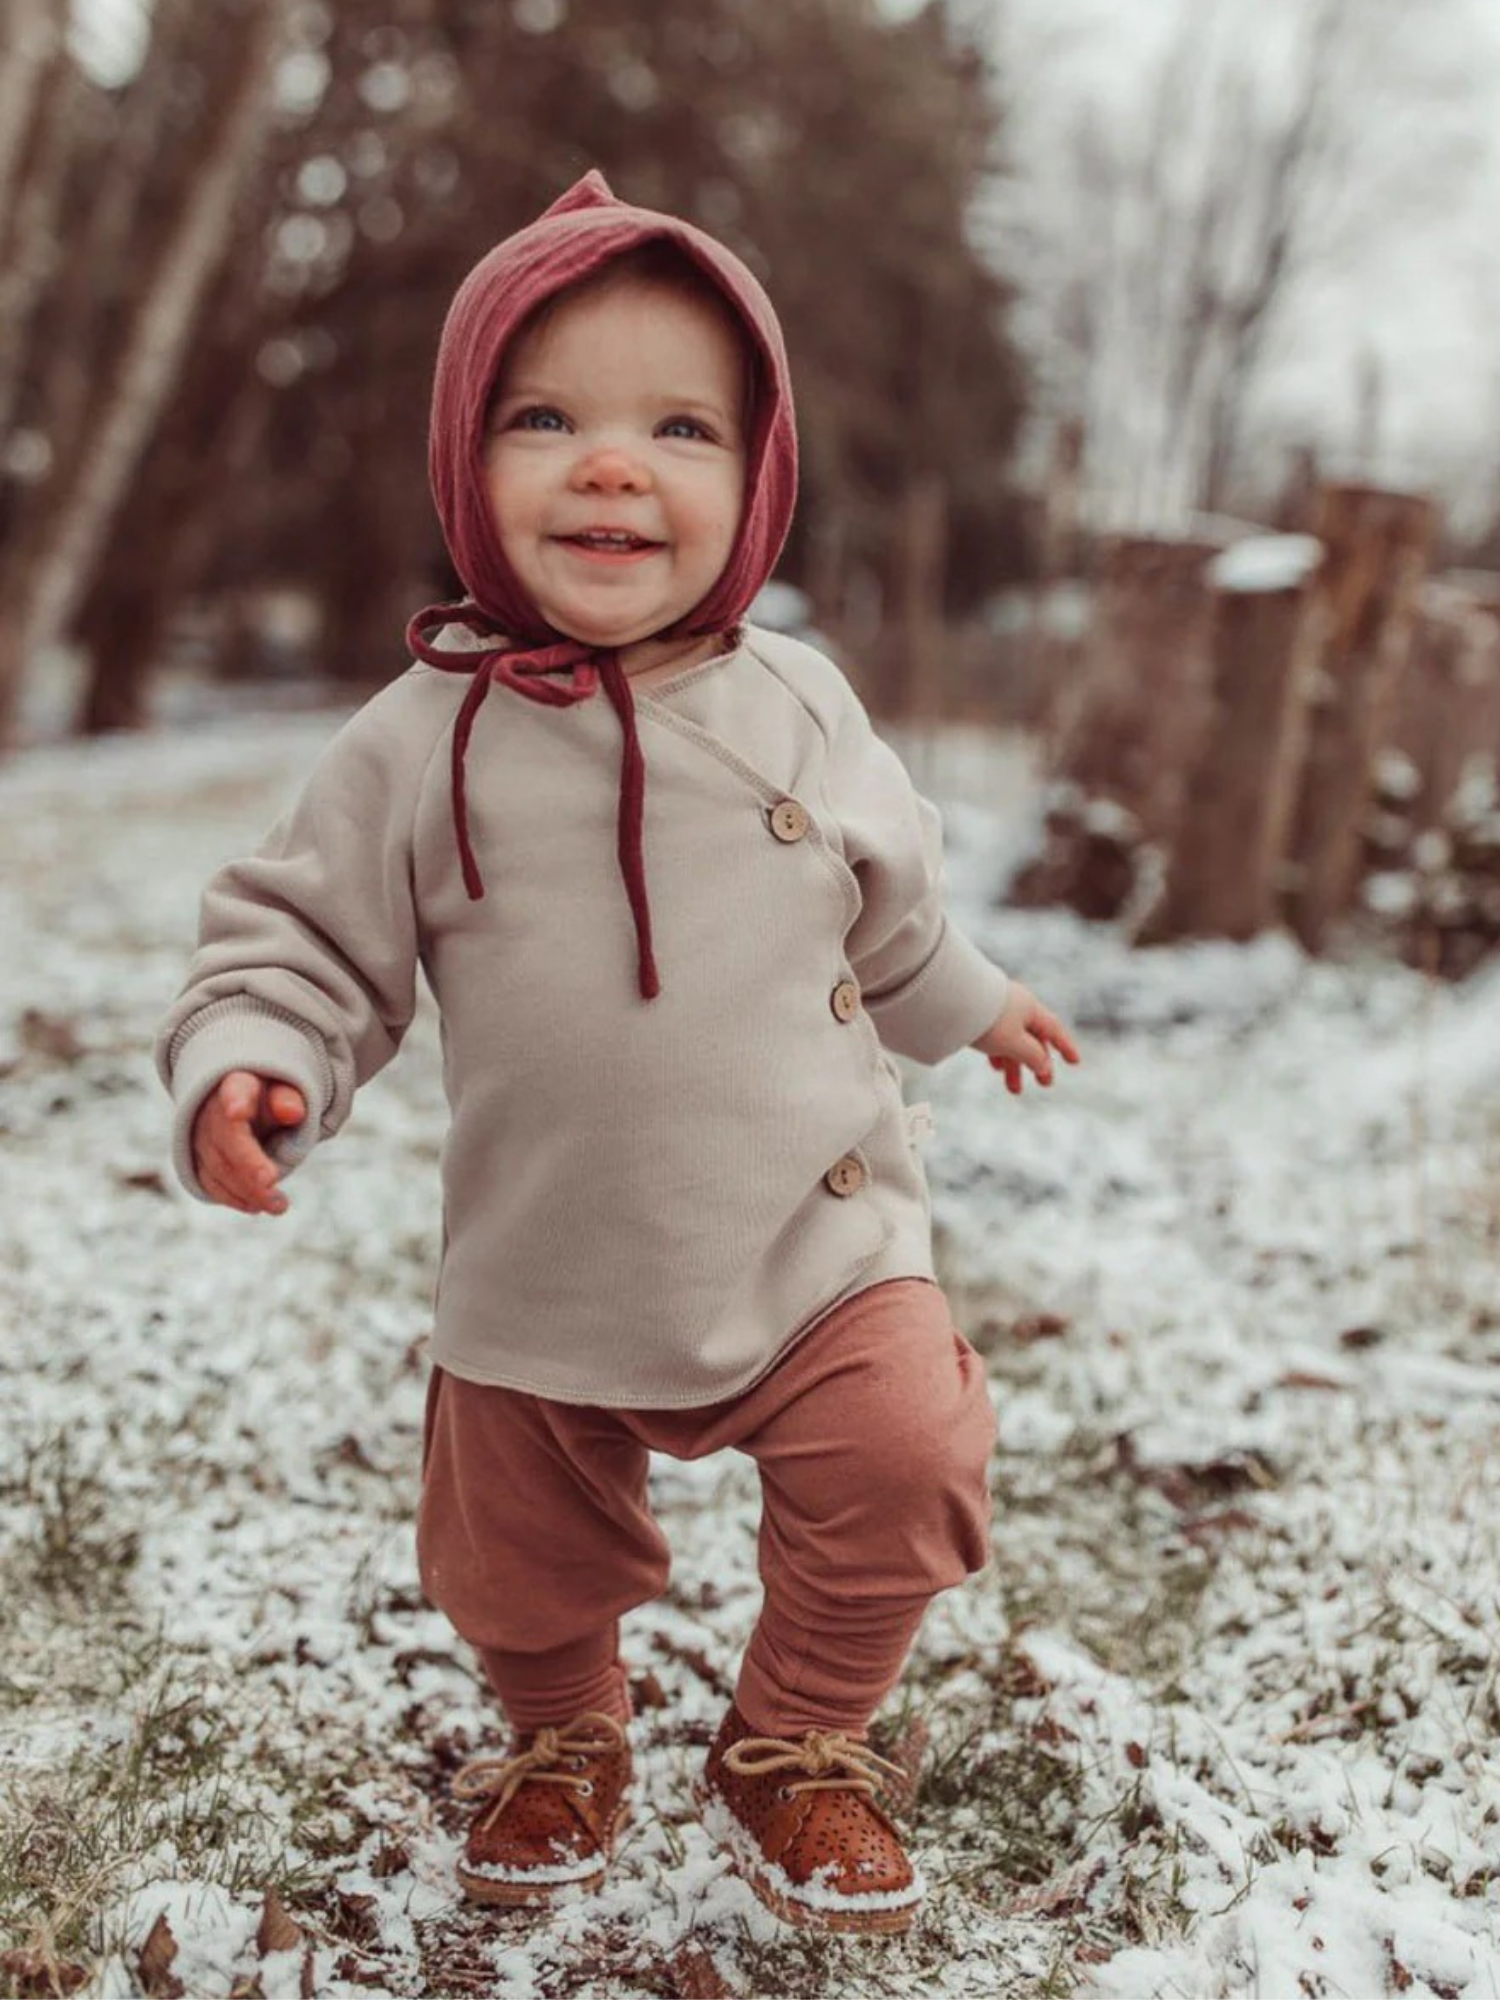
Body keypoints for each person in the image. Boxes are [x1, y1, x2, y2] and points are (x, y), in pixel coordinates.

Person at [155, 171, 1079, 1938]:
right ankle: (562, 1730)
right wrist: (256, 1056)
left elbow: (884, 910)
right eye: (547, 417)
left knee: (908, 1456)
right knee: (515, 1553)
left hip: (817, 1240)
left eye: (679, 426)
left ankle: (797, 1740)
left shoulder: (800, 703)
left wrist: (974, 1003)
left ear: (758, 477)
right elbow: (305, 941)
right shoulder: (415, 744)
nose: (610, 465)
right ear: (462, 460)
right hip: (548, 1255)